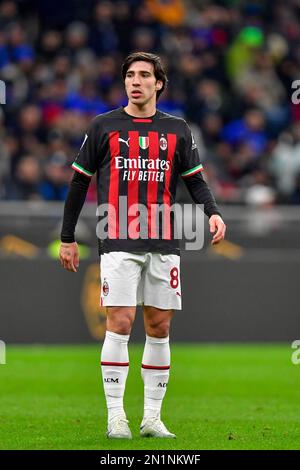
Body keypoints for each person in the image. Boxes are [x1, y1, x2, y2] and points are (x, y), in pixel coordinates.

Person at [59, 52, 226, 439]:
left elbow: (195, 180)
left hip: (164, 241)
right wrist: (67, 238)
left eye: (144, 75)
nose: (136, 81)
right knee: (119, 322)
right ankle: (116, 416)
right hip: (117, 238)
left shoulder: (178, 129)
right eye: (130, 75)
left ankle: (152, 418)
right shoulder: (103, 126)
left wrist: (212, 212)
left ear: (159, 83)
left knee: (159, 326)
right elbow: (79, 183)